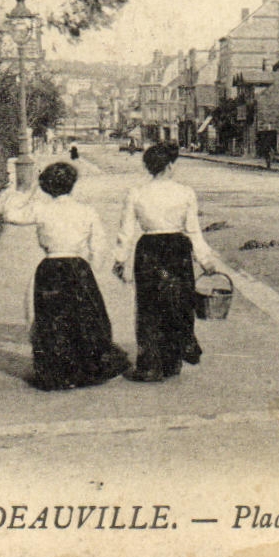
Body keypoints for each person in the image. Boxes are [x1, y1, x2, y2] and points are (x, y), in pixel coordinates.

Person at [3, 163, 128, 391]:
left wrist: (29, 190)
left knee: (51, 319)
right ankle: (84, 367)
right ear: (72, 185)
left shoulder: (41, 209)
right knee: (83, 317)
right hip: (77, 267)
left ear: (47, 187)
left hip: (50, 267)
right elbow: (98, 247)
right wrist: (92, 266)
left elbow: (9, 214)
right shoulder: (86, 211)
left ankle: (58, 370)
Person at [115, 142, 224, 382]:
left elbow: (126, 231)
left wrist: (120, 260)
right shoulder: (185, 193)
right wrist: (206, 260)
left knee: (149, 306)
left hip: (149, 250)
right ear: (171, 166)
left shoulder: (136, 192)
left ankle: (150, 365)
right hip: (177, 249)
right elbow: (193, 231)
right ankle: (173, 361)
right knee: (178, 303)